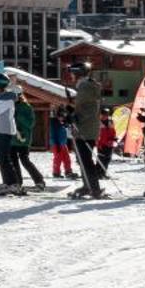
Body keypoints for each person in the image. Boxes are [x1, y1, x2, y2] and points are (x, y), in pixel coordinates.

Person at [66, 63, 108, 200]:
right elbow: (84, 108)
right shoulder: (86, 86)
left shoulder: (85, 87)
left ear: (77, 73)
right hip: (86, 128)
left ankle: (94, 188)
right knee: (82, 159)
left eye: (72, 72)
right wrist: (72, 113)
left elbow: (86, 111)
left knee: (85, 160)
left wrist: (73, 116)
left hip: (85, 129)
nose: (70, 75)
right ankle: (87, 185)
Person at [0, 73, 23, 194]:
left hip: (4, 130)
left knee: (3, 159)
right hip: (0, 130)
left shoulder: (7, 98)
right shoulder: (1, 96)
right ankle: (8, 183)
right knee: (1, 159)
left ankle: (13, 184)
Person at [48, 109, 75, 179]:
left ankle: (68, 171)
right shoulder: (54, 122)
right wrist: (56, 143)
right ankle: (56, 172)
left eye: (63, 116)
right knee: (58, 158)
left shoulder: (62, 123)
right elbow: (53, 134)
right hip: (56, 144)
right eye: (61, 116)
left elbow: (66, 132)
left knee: (67, 157)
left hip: (63, 143)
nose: (62, 118)